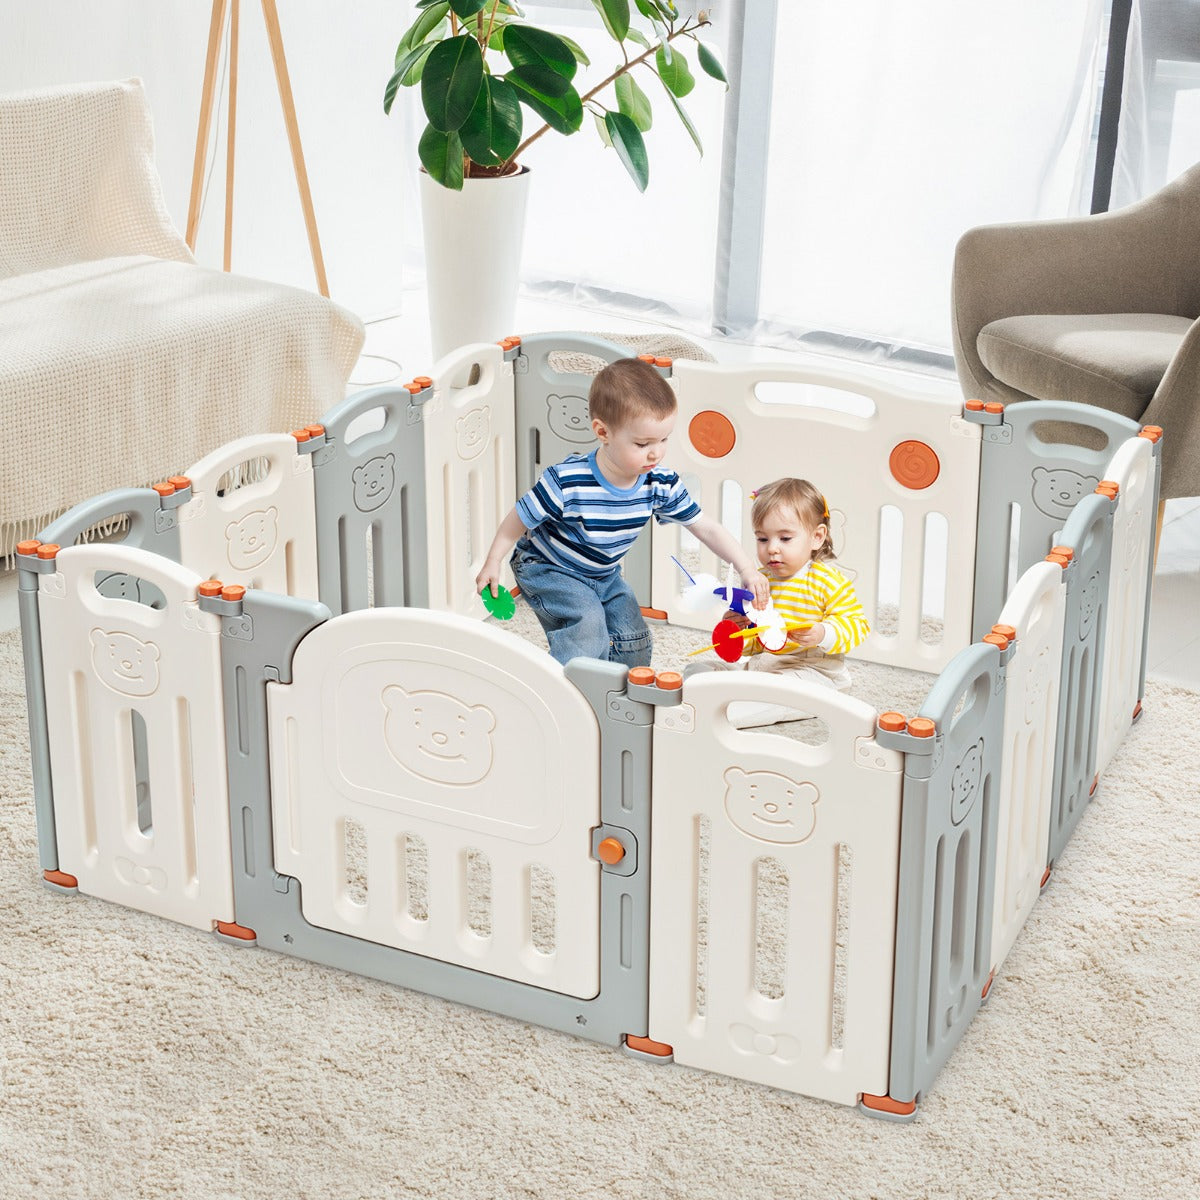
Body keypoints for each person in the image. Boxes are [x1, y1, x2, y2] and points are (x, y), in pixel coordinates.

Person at [475, 357, 769, 667]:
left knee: (634, 641)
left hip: (603, 573)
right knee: (588, 628)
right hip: (548, 567)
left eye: (664, 439)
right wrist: (494, 560)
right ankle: (564, 688)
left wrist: (746, 568)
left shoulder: (659, 483)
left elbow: (705, 527)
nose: (656, 453)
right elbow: (519, 518)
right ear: (603, 432)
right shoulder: (567, 481)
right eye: (642, 443)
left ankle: (616, 690)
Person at [685, 476, 870, 728]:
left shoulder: (828, 581)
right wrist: (739, 631)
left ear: (817, 537)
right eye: (763, 539)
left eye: (785, 539)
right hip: (764, 667)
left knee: (776, 698)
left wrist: (823, 633)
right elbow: (757, 643)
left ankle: (724, 714)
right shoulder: (760, 580)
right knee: (698, 672)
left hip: (814, 673)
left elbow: (857, 625)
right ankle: (709, 698)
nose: (772, 548)